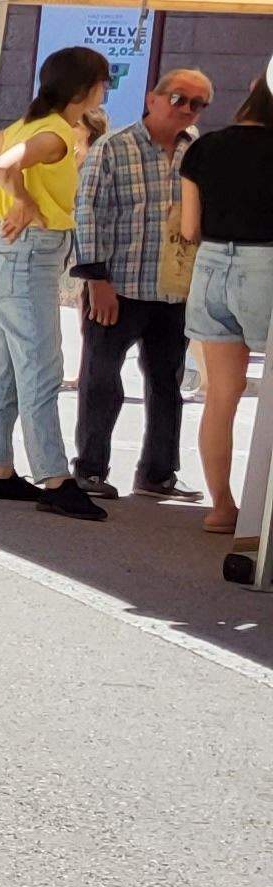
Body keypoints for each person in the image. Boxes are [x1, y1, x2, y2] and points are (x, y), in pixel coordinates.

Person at [0, 45, 115, 520]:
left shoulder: (31, 125)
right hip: (28, 257)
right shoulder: (56, 134)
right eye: (103, 81)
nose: (106, 89)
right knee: (41, 369)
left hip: (11, 258)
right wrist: (23, 200)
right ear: (85, 89)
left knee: (9, 366)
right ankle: (55, 478)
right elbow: (4, 165)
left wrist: (16, 196)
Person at [70, 68, 213, 502]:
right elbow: (87, 211)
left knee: (168, 381)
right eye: (179, 99)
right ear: (153, 98)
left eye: (198, 104)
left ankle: (158, 473)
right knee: (101, 379)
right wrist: (96, 279)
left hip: (174, 292)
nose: (187, 110)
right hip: (119, 285)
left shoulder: (198, 153)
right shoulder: (114, 148)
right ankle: (90, 469)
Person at [180, 70, 273, 538]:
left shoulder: (204, 147)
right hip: (267, 265)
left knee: (221, 396)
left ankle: (222, 506)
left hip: (212, 263)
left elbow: (189, 227)